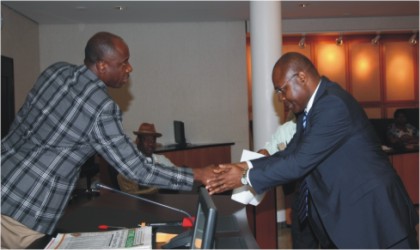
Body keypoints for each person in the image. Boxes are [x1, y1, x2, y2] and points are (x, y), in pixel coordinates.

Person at [1, 31, 214, 249]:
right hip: (22, 209)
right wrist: (198, 174)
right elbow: (138, 170)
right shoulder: (101, 107)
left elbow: (22, 121)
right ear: (102, 66)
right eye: (123, 63)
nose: (129, 68)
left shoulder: (56, 71)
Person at [207, 52, 419, 248]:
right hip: (349, 213)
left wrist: (245, 176)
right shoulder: (311, 110)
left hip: (375, 214)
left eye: (282, 90)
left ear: (301, 77)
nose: (281, 98)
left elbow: (298, 163)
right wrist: (245, 165)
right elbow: (289, 153)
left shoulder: (332, 105)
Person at [256, 113, 319, 249]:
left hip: (323, 194)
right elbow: (269, 150)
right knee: (302, 241)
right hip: (300, 194)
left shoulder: (319, 125)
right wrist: (262, 153)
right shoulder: (285, 129)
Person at [117, 122, 176, 194]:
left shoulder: (161, 159)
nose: (150, 143)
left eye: (153, 140)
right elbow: (133, 196)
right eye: (146, 140)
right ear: (138, 141)